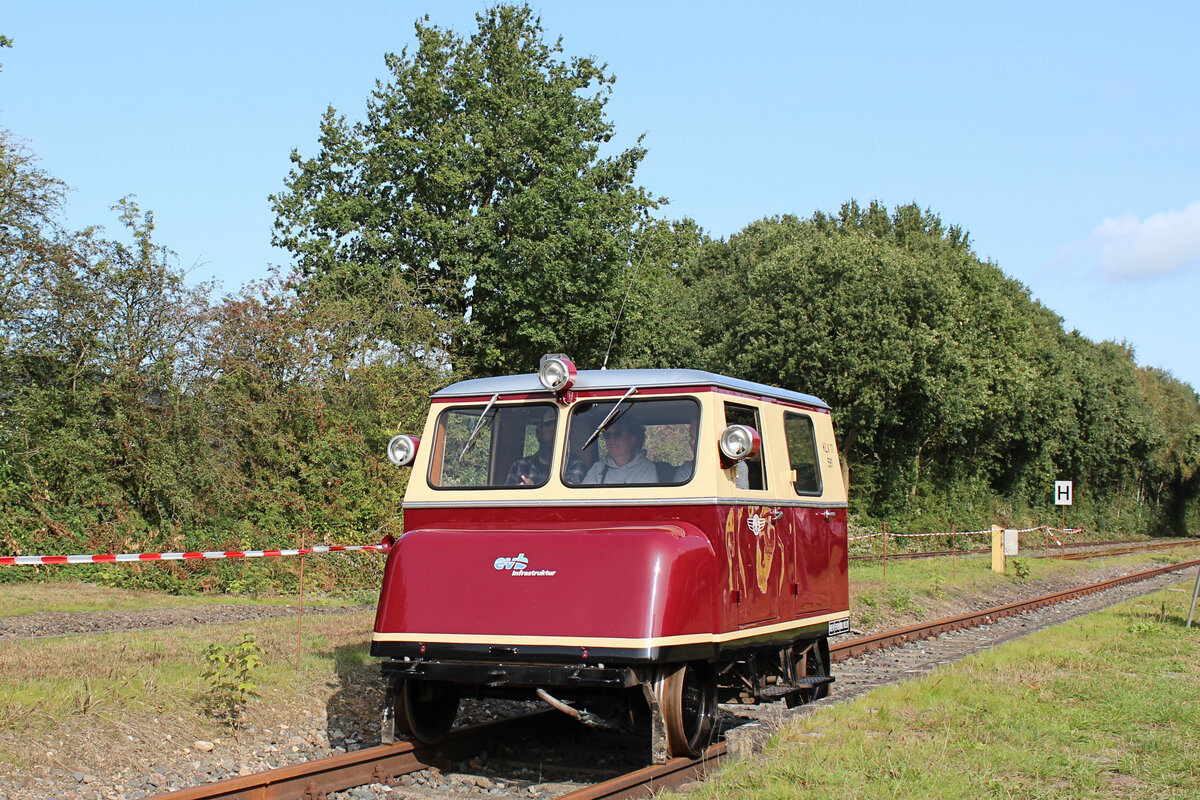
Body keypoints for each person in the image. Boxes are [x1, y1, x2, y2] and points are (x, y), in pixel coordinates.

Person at [581, 418, 658, 484]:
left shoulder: (647, 468)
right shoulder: (597, 468)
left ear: (632, 440)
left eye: (617, 434)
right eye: (607, 435)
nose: (611, 440)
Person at [505, 409, 558, 486]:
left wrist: (534, 491)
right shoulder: (519, 466)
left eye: (558, 431)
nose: (555, 435)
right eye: (550, 430)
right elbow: (508, 493)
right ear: (539, 433)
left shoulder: (574, 465)